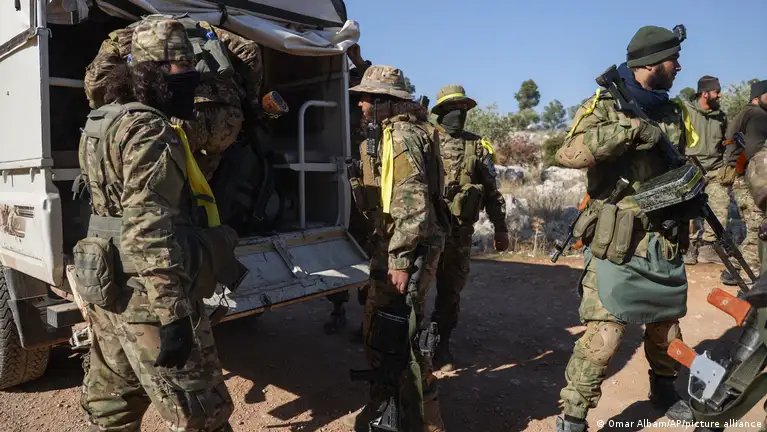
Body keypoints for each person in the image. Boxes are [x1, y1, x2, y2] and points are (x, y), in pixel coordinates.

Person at [75, 16, 237, 431]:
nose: (192, 75)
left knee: (113, 405)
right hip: (148, 295)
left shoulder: (103, 119)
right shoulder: (150, 129)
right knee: (203, 413)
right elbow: (148, 229)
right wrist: (173, 315)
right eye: (185, 65)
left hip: (108, 286)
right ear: (157, 70)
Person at [553, 25, 694, 432]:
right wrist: (629, 131)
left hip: (662, 236)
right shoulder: (603, 105)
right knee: (605, 335)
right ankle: (573, 416)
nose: (679, 67)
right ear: (651, 64)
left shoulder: (673, 111)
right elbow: (569, 153)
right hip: (615, 237)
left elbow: (682, 161)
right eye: (673, 60)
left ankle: (663, 389)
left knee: (666, 326)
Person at [340, 65, 449, 431]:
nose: (361, 105)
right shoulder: (396, 132)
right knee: (384, 331)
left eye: (367, 98)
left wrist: (400, 260)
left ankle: (425, 420)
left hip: (408, 248)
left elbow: (413, 205)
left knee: (404, 337)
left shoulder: (400, 137)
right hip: (396, 243)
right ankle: (385, 408)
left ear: (386, 102)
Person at [84, 14, 263, 179]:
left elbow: (95, 84)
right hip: (223, 118)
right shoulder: (204, 27)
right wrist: (249, 102)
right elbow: (250, 50)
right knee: (202, 177)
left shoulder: (125, 36)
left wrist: (118, 107)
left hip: (170, 120)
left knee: (163, 179)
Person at [428, 84, 509, 371]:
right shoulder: (425, 139)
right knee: (413, 290)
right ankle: (410, 345)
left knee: (450, 291)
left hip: (459, 233)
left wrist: (501, 227)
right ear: (441, 111)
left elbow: (491, 191)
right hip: (426, 231)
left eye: (464, 109)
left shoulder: (477, 146)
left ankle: (440, 345)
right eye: (454, 108)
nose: (459, 114)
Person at [324, 44, 374, 337]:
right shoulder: (338, 97)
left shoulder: (371, 114)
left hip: (367, 190)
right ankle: (338, 308)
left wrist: (358, 60)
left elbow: (377, 85)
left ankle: (367, 318)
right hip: (345, 185)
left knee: (368, 251)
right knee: (340, 250)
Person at [719, 80, 767, 284]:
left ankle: (735, 268)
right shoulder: (758, 115)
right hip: (750, 177)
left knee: (753, 225)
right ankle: (749, 277)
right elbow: (756, 152)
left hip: (739, 176)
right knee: (758, 226)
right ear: (759, 96)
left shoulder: (744, 112)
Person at [681, 76, 729, 266]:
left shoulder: (721, 116)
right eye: (717, 91)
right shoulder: (686, 113)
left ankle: (709, 249)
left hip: (715, 170)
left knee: (720, 207)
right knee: (689, 210)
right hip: (692, 169)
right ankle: (689, 247)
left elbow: (725, 141)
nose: (720, 95)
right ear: (705, 93)